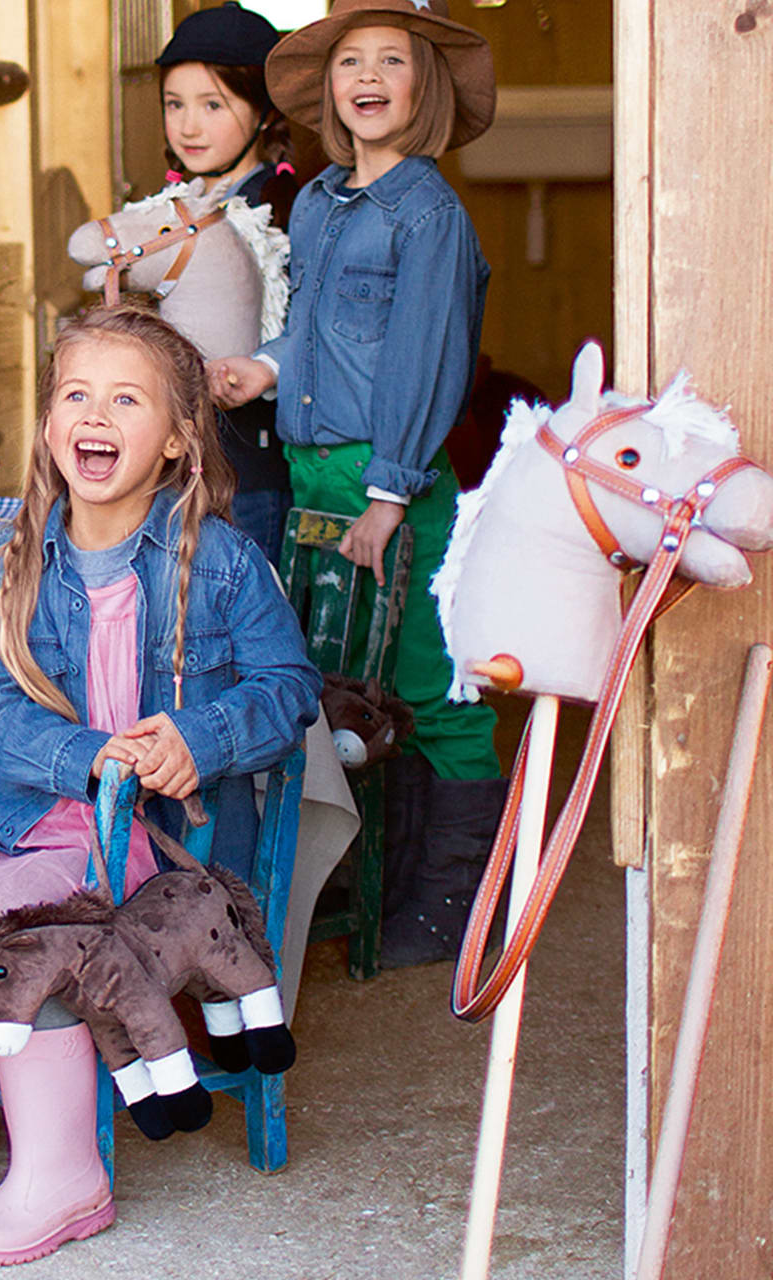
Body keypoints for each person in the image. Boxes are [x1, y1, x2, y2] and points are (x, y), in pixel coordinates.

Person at [0, 305, 319, 1265]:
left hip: (174, 853)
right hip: (48, 815)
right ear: (48, 426)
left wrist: (198, 739)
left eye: (127, 400)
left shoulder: (223, 561)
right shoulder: (11, 563)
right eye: (76, 394)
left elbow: (289, 690)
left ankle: (63, 1173)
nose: (96, 413)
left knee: (28, 927)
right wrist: (88, 754)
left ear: (173, 441)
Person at [208, 0, 504, 967]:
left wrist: (387, 497)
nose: (366, 77)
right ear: (330, 90)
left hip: (393, 484)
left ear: (424, 86)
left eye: (391, 60)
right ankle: (377, 887)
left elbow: (425, 360)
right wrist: (265, 366)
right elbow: (325, 330)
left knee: (432, 685)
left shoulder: (429, 213)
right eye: (349, 63)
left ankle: (451, 904)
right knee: (351, 690)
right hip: (312, 472)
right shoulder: (326, 199)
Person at [156, 0, 303, 556]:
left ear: (264, 111)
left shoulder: (278, 208)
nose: (188, 125)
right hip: (176, 467)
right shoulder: (173, 205)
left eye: (213, 104)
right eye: (175, 104)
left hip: (249, 472)